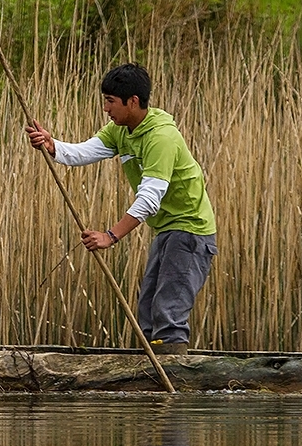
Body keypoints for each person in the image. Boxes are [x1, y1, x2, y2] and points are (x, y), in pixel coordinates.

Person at [26, 63, 217, 354]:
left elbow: (149, 199)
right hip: (167, 229)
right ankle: (149, 366)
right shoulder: (122, 130)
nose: (105, 108)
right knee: (148, 307)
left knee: (169, 309)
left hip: (191, 230)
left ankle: (173, 372)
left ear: (133, 102)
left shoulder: (160, 137)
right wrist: (53, 146)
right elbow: (86, 151)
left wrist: (110, 236)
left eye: (110, 101)